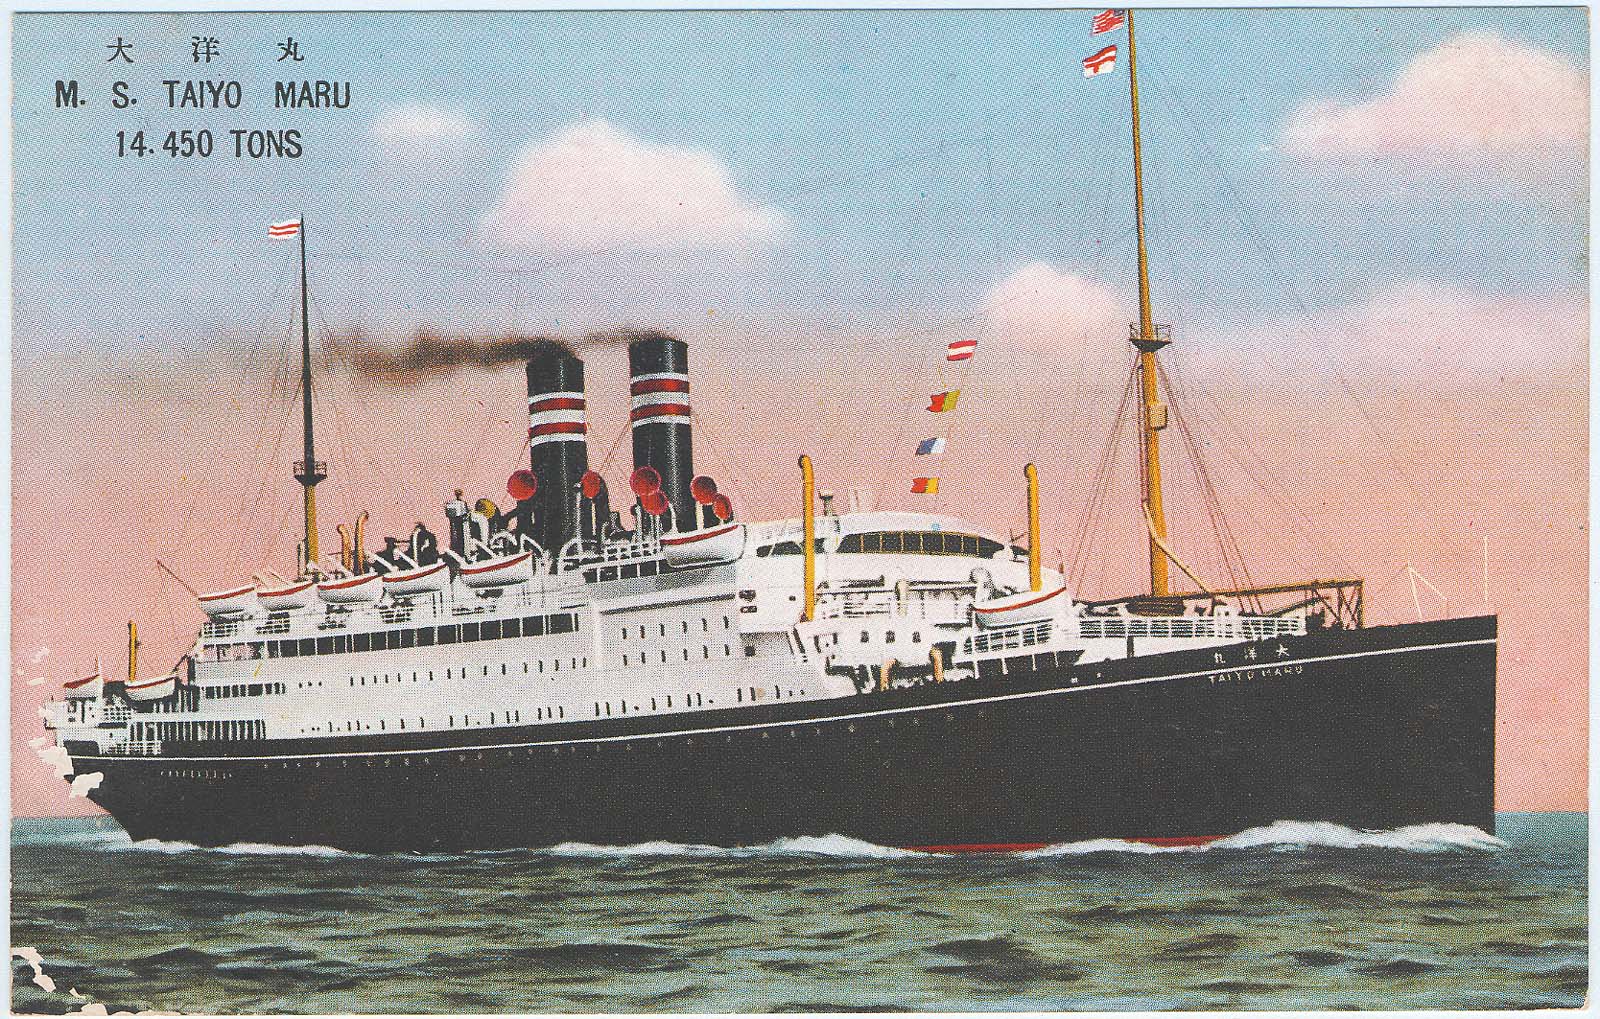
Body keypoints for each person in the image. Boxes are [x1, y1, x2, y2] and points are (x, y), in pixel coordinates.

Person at [445, 488, 469, 558]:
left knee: (454, 535)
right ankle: (461, 553)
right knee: (460, 536)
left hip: (453, 520)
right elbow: (466, 512)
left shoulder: (451, 503)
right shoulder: (462, 503)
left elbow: (448, 513)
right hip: (460, 520)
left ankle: (456, 551)